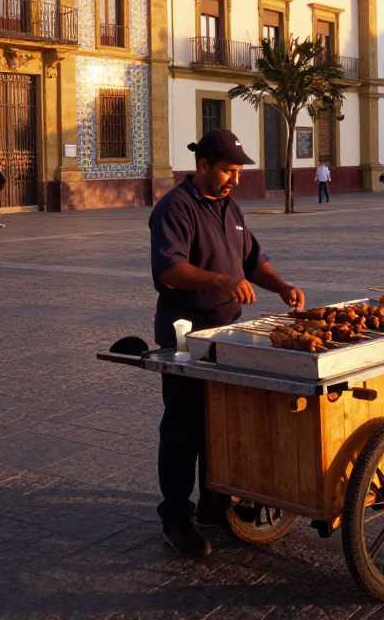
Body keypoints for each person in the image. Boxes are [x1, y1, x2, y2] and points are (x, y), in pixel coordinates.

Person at [149, 129, 304, 557]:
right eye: (227, 170)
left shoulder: (230, 207)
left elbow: (253, 260)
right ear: (203, 166)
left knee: (221, 421)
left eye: (237, 170)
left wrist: (281, 287)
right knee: (184, 426)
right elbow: (169, 270)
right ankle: (176, 517)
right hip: (185, 333)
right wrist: (222, 280)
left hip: (226, 333)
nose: (234, 178)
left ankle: (215, 503)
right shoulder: (174, 208)